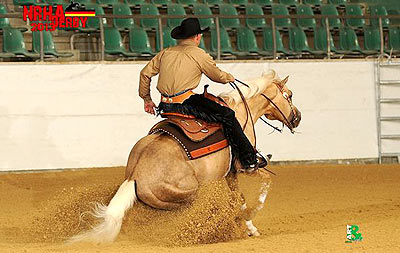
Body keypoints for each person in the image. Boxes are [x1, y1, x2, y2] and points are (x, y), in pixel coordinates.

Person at [139, 18, 267, 171]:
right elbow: (217, 76)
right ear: (198, 37)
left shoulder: (165, 53)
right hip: (185, 104)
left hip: (165, 105)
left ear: (181, 37)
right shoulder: (199, 54)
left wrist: (147, 99)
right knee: (228, 115)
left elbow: (145, 74)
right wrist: (229, 77)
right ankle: (249, 159)